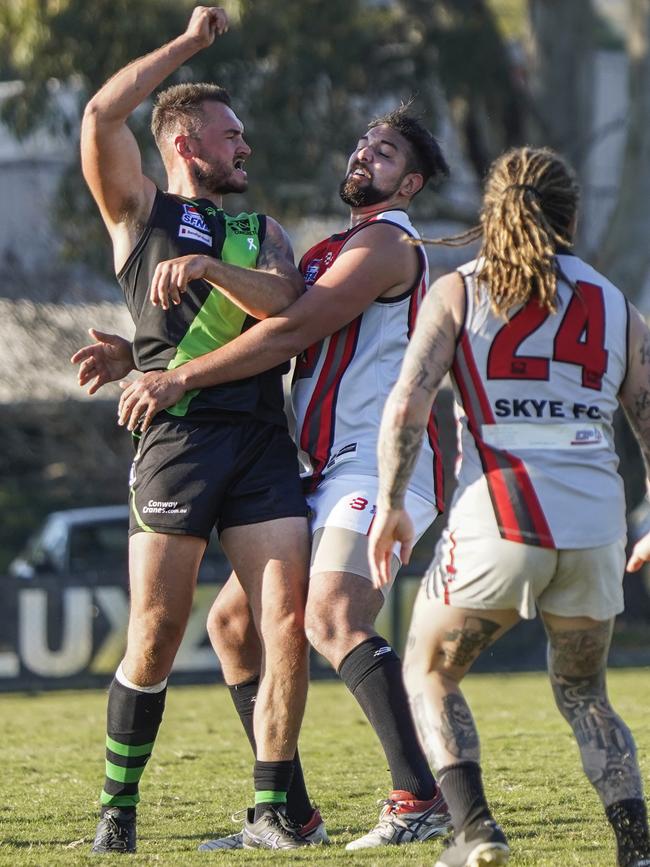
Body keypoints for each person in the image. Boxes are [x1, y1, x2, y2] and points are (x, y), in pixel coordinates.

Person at [100, 105, 453, 850]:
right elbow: (264, 334)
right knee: (231, 627)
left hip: (382, 458)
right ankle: (287, 813)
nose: (364, 156)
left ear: (411, 183)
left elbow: (292, 330)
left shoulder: (387, 243)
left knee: (330, 616)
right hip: (325, 464)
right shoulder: (331, 248)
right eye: (363, 144)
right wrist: (139, 361)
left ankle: (421, 796)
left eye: (384, 153)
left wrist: (174, 378)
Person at [77, 6, 322, 853]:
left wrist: (218, 267)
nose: (244, 149)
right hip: (175, 441)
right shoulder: (139, 211)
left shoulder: (265, 233)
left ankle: (270, 811)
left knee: (283, 620)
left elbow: (288, 307)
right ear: (186, 143)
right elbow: (102, 116)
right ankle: (118, 808)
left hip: (259, 439)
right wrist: (188, 45)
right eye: (230, 136)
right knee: (155, 632)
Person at [369, 145, 650, 867]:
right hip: (595, 525)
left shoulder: (459, 289)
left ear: (489, 210)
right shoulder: (616, 303)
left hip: (502, 512)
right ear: (571, 215)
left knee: (428, 671)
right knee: (586, 690)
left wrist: (391, 503)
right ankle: (637, 846)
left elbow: (408, 402)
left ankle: (474, 833)